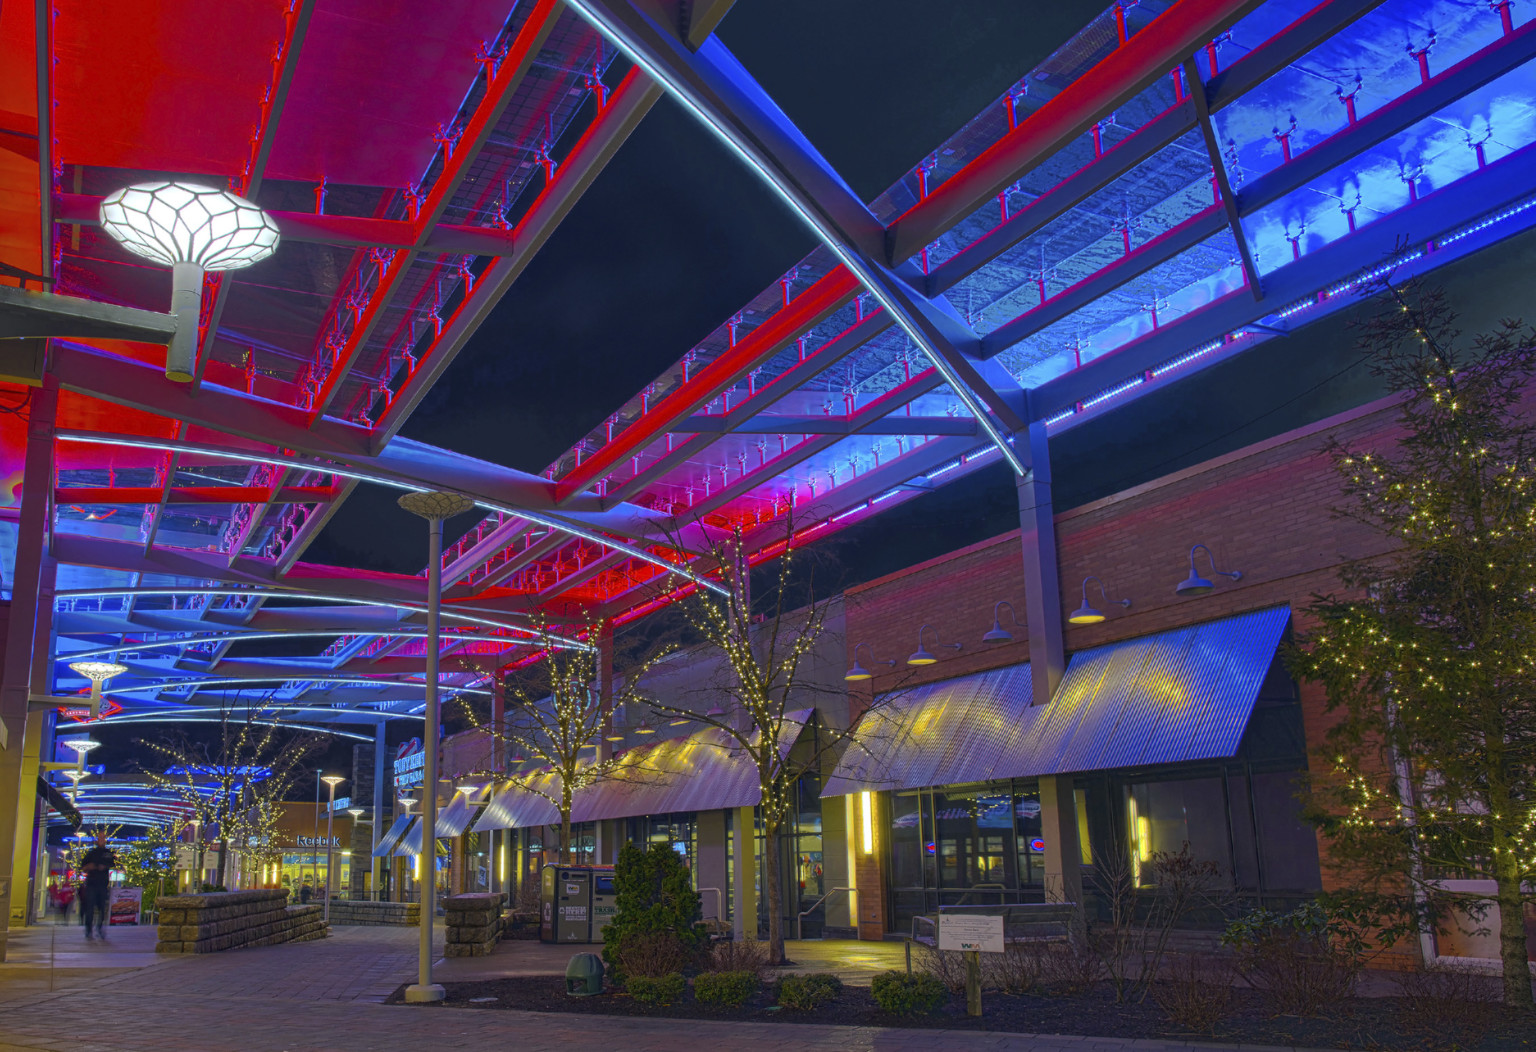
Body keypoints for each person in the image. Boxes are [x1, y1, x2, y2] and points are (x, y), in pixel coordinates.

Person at [79, 831, 116, 940]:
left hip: (103, 884)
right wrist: (90, 867)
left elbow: (112, 863)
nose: (102, 840)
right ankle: (89, 929)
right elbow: (83, 867)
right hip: (91, 884)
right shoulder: (91, 853)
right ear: (97, 839)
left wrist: (104, 866)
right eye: (100, 837)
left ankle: (99, 927)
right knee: (90, 908)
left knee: (101, 909)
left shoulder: (108, 853)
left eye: (103, 838)